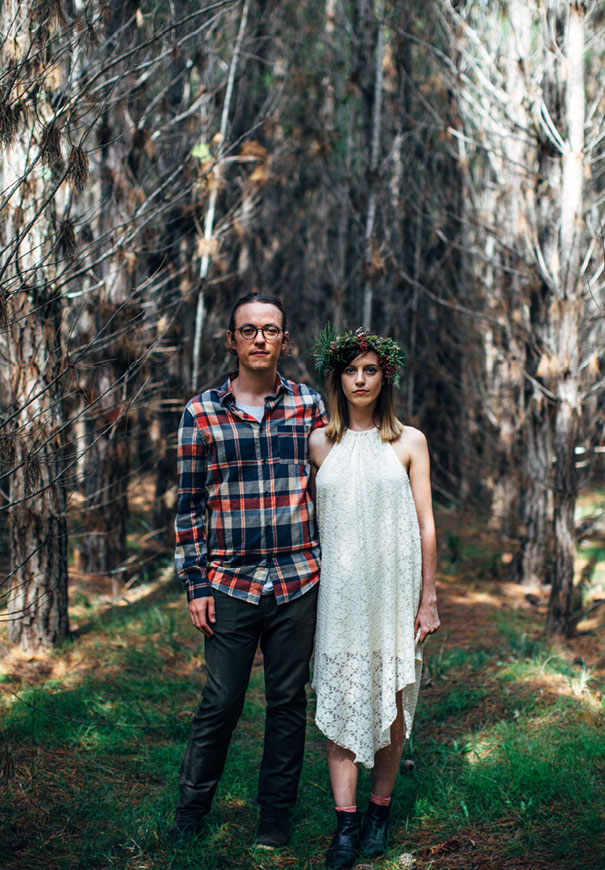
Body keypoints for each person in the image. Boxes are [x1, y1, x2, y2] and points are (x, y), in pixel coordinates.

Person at [171, 292, 327, 849]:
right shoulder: (201, 412)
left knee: (288, 702)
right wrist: (195, 584)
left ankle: (274, 816)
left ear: (285, 340)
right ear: (232, 340)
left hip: (298, 580)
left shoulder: (308, 405)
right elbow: (189, 505)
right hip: (229, 582)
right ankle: (191, 812)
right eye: (249, 330)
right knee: (221, 701)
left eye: (271, 330)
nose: (260, 338)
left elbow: (335, 482)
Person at [308, 327, 440, 869]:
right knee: (338, 697)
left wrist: (428, 597)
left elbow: (427, 524)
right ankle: (345, 824)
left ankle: (379, 813)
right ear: (338, 378)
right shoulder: (320, 442)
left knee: (390, 703)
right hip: (339, 593)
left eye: (370, 370)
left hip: (394, 590)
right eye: (350, 370)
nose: (360, 379)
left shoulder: (410, 441)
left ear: (385, 377)